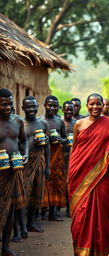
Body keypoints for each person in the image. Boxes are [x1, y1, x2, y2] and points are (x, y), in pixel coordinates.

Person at [68, 93, 109, 256]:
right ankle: (81, 251)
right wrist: (71, 173)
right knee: (80, 216)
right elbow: (75, 150)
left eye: (98, 104)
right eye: (92, 104)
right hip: (79, 175)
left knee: (102, 215)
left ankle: (101, 250)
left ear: (103, 105)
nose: (95, 107)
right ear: (86, 106)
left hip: (103, 177)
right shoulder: (79, 125)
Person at [0, 88, 28, 256]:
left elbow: (23, 141)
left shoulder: (18, 121)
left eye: (10, 103)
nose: (7, 107)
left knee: (10, 210)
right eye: (3, 105)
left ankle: (5, 248)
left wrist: (25, 153)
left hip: (14, 171)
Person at [22, 96, 50, 232]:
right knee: (24, 195)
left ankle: (31, 223)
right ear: (23, 108)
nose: (31, 109)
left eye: (34, 106)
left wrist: (48, 166)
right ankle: (21, 227)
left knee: (37, 193)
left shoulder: (43, 124)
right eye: (28, 107)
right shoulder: (20, 124)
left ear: (38, 107)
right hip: (24, 164)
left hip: (39, 162)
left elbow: (47, 146)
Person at [41, 95, 68, 221]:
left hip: (57, 156)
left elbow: (66, 139)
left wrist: (59, 139)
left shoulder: (59, 121)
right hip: (42, 156)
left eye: (55, 106)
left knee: (56, 183)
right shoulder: (40, 121)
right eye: (50, 105)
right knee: (43, 183)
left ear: (58, 107)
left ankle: (52, 212)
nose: (52, 108)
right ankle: (40, 212)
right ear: (44, 105)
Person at [62, 101, 76, 217]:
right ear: (62, 109)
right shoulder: (60, 122)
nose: (69, 111)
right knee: (60, 182)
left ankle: (69, 207)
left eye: (71, 109)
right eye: (67, 109)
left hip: (74, 157)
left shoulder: (77, 124)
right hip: (60, 155)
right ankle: (56, 208)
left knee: (71, 182)